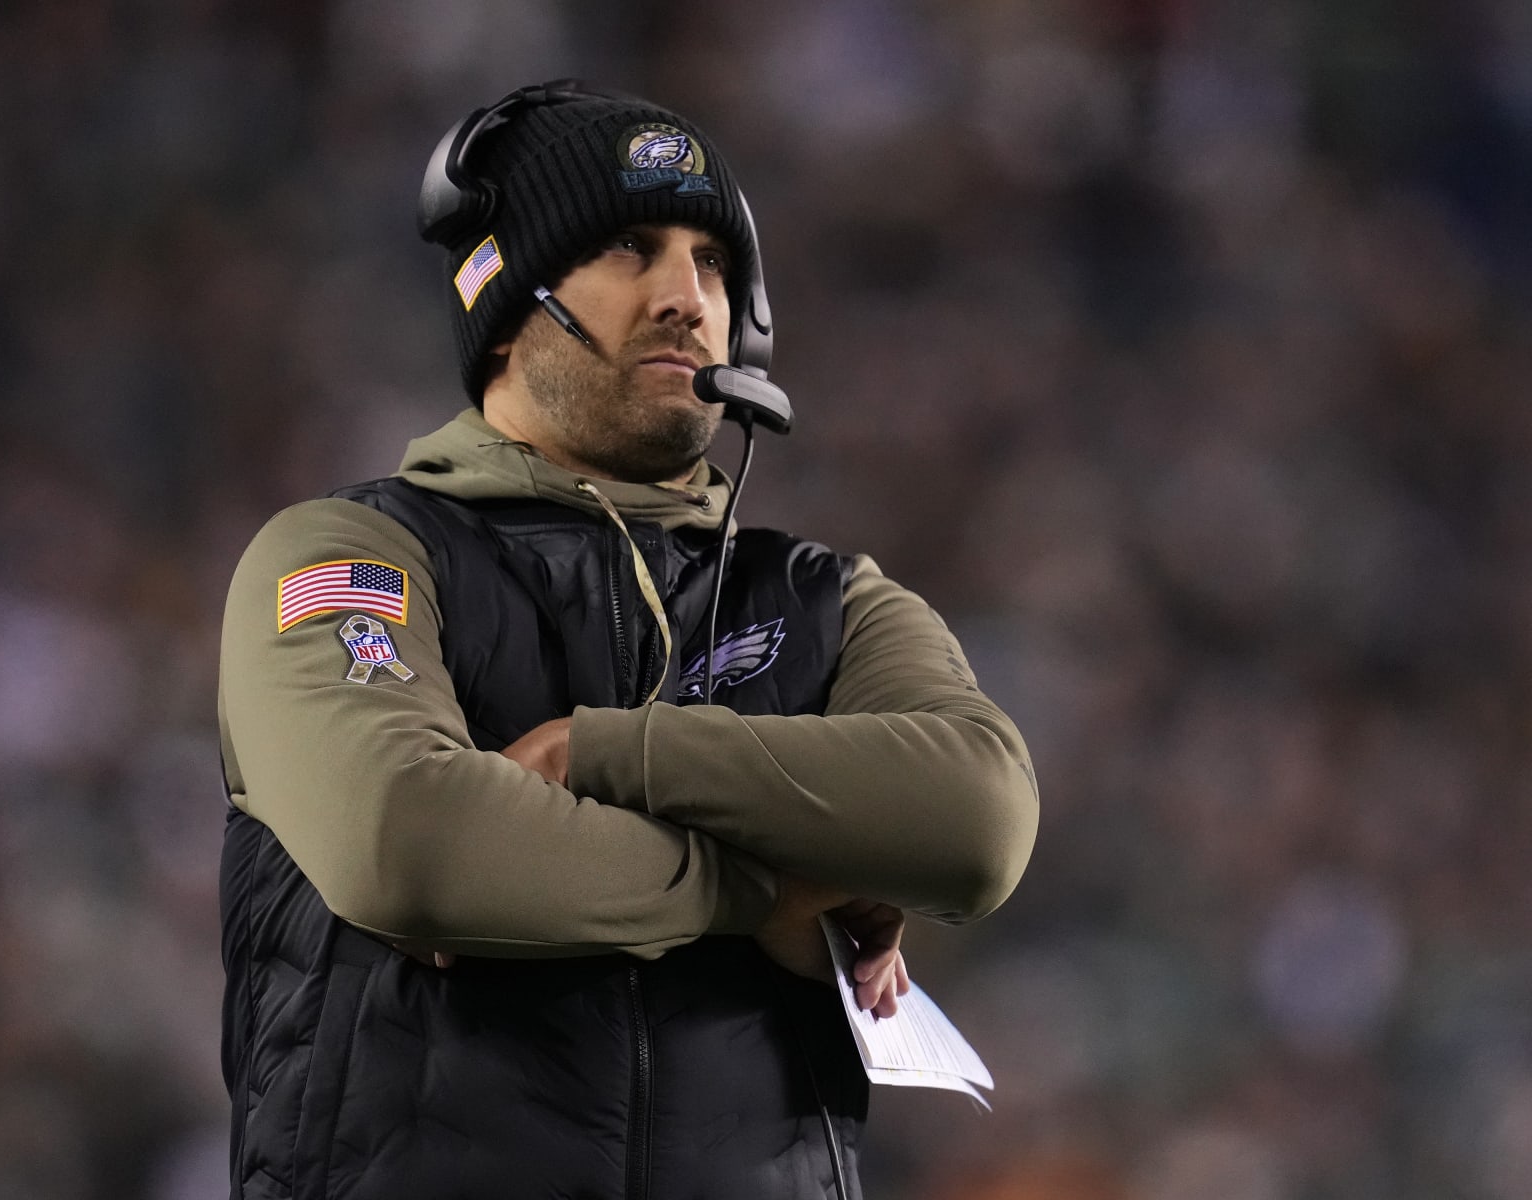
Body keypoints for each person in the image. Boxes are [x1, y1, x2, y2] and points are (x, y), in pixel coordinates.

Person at [216, 81, 1039, 1200]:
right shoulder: (351, 552)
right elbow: (408, 844)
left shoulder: (831, 599)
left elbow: (978, 819)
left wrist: (606, 754)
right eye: (628, 249)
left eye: (714, 264)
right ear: (507, 295)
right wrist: (773, 892)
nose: (687, 299)